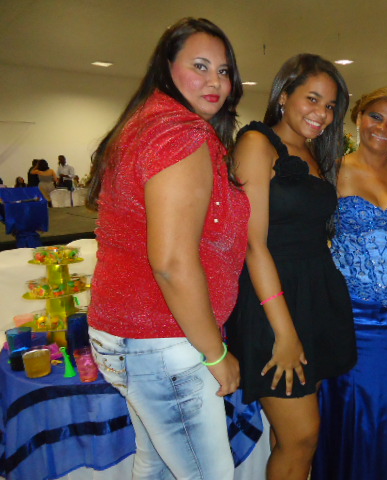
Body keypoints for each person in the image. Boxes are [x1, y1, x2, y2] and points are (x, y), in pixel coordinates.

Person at [85, 18, 249, 479]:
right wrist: (216, 354)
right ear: (167, 68)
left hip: (131, 334)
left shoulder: (148, 124)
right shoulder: (179, 134)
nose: (215, 81)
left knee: (156, 464)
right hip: (161, 339)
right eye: (200, 66)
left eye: (223, 71)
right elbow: (173, 263)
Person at [225, 54, 356, 480]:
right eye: (312, 99)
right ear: (284, 95)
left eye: (330, 105)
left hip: (313, 297)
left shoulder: (314, 151)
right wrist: (284, 332)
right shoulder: (257, 143)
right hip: (273, 302)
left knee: (291, 439)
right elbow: (253, 245)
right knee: (302, 437)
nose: (322, 113)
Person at [312, 88, 387, 480]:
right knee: (352, 406)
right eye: (376, 117)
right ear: (359, 118)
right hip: (349, 314)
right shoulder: (331, 170)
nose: (383, 128)